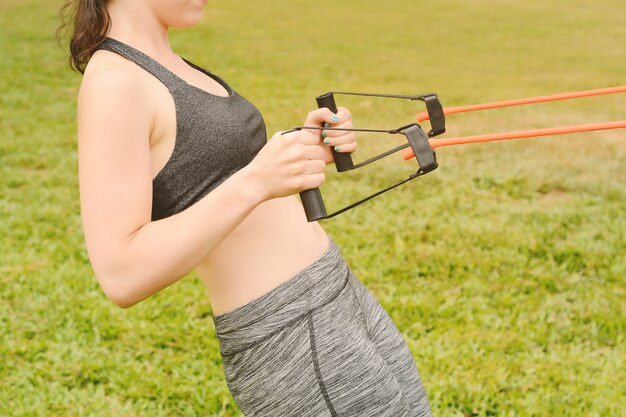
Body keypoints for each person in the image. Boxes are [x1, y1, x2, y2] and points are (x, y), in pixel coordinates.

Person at [57, 0, 432, 415]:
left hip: (335, 293)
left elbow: (213, 175)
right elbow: (121, 273)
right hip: (290, 332)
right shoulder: (114, 81)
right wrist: (258, 180)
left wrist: (301, 151)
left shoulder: (168, 61)